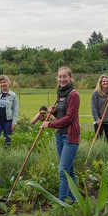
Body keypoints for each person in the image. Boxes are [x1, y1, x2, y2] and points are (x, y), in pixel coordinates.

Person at [41, 67, 80, 203]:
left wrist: (50, 124)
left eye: (65, 77)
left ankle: (61, 202)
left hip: (70, 137)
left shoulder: (74, 95)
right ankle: (74, 199)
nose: (62, 79)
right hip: (60, 136)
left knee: (62, 172)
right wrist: (54, 112)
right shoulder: (60, 95)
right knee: (69, 171)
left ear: (70, 78)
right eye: (60, 77)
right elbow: (62, 115)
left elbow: (69, 118)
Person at [0, 75, 19, 145]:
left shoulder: (13, 95)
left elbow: (15, 110)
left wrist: (14, 123)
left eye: (4, 82)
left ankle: (6, 155)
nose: (3, 84)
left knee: (7, 141)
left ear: (8, 82)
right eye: (1, 83)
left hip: (8, 121)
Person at [90, 74, 108, 141]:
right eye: (103, 81)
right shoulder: (96, 94)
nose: (105, 82)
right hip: (99, 122)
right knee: (99, 141)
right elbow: (94, 108)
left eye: (107, 81)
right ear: (100, 83)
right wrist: (97, 119)